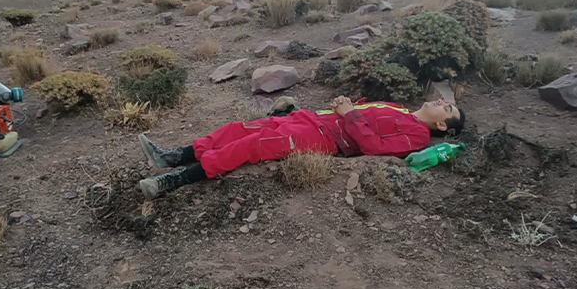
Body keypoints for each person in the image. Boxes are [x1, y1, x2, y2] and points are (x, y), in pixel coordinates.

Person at [137, 97, 465, 199]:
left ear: (441, 126)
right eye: (445, 101)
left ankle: (174, 180)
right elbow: (365, 116)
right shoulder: (399, 108)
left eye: (447, 108)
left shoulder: (417, 137)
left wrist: (348, 113)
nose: (441, 102)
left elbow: (375, 148)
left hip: (325, 140)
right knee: (241, 128)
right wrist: (345, 106)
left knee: (255, 144)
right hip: (312, 119)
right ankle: (173, 156)